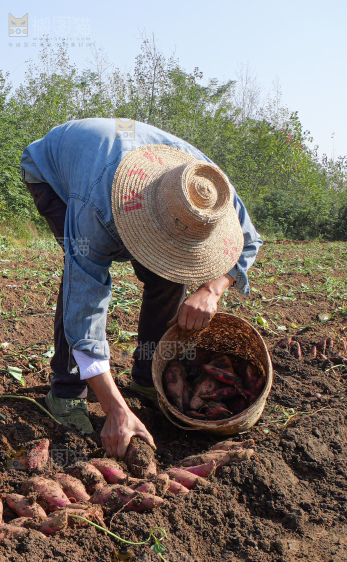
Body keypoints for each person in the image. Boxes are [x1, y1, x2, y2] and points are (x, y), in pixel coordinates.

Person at [21, 118, 262, 457]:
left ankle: (147, 376)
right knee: (80, 273)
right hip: (54, 174)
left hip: (118, 162)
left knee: (169, 274)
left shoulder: (209, 187)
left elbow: (248, 242)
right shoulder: (96, 208)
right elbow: (85, 303)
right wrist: (115, 409)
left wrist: (212, 288)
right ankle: (66, 391)